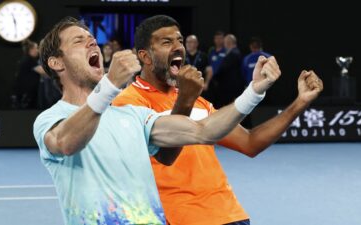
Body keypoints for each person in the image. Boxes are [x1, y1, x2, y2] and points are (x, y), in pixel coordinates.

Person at [33, 16, 281, 225]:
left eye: (92, 40)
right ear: (56, 63)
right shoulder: (51, 119)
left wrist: (254, 92)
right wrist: (108, 87)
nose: (92, 44)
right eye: (79, 41)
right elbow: (65, 142)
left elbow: (203, 131)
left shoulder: (132, 115)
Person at [113, 15, 323, 225]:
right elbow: (166, 155)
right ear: (145, 57)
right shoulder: (128, 104)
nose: (178, 47)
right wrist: (185, 98)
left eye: (180, 40)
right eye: (167, 42)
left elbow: (250, 143)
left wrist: (300, 102)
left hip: (231, 215)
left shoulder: (198, 100)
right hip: (179, 218)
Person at [209, 34, 245, 109]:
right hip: (233, 88)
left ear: (228, 43)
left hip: (229, 89)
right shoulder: (236, 53)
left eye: (224, 43)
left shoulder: (233, 54)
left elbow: (223, 69)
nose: (224, 45)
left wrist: (214, 78)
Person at [12, 39, 44, 109]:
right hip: (25, 94)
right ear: (31, 49)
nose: (38, 51)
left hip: (26, 92)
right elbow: (43, 72)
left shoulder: (28, 59)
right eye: (36, 48)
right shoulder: (29, 60)